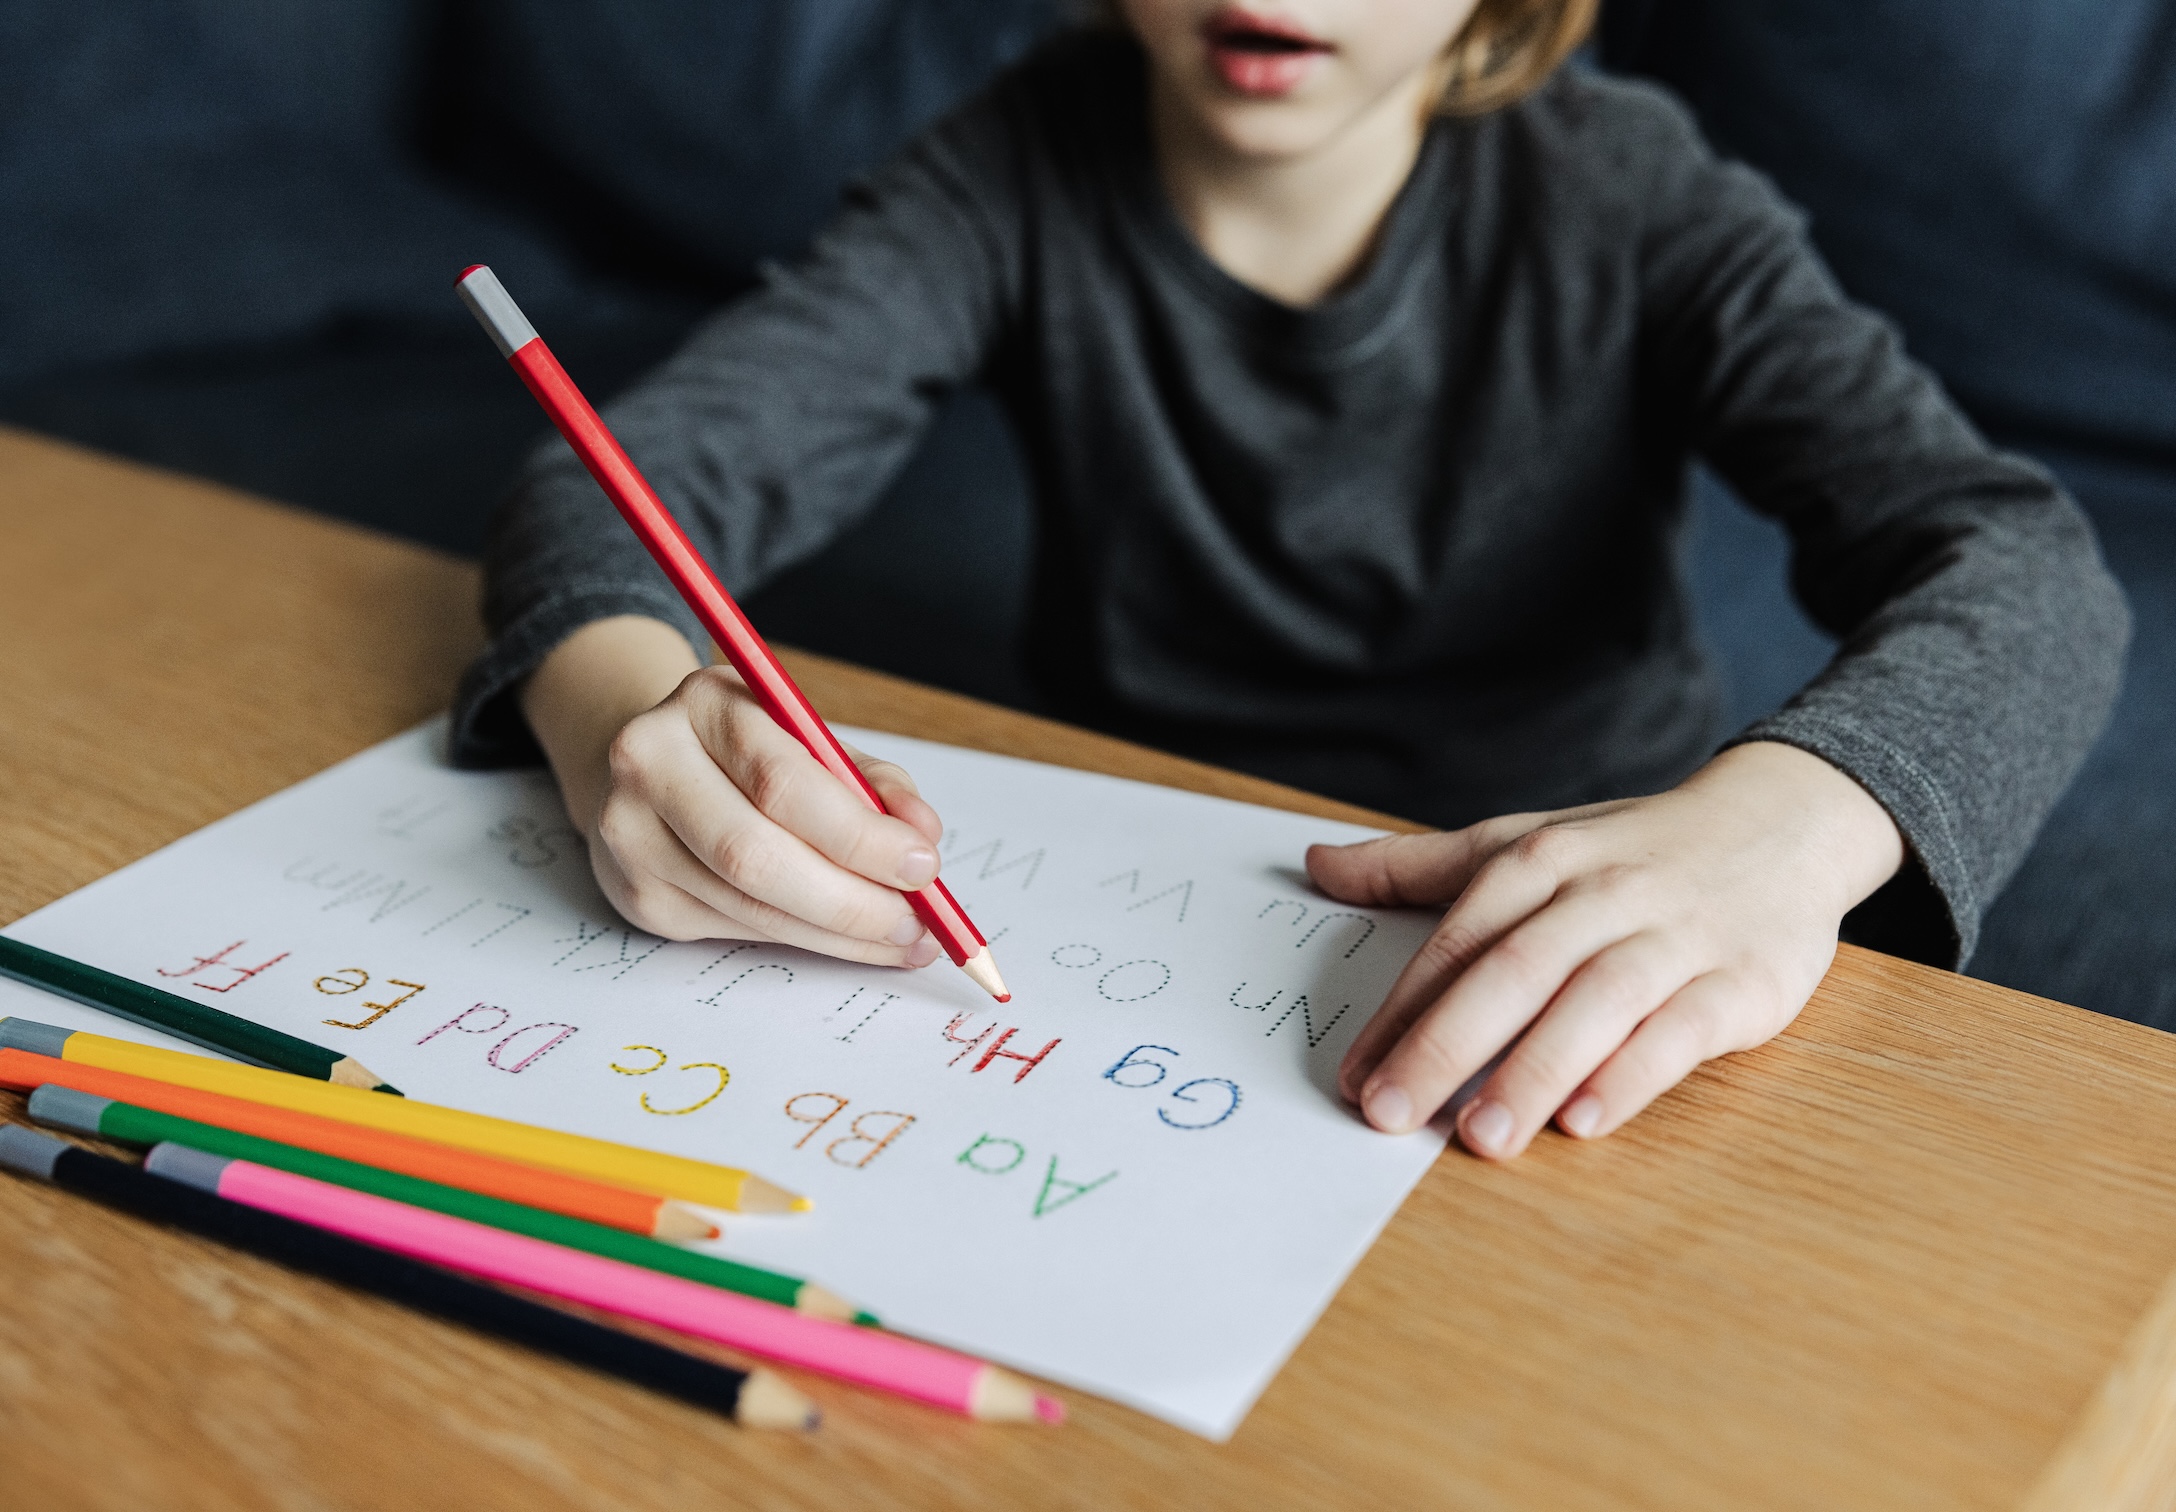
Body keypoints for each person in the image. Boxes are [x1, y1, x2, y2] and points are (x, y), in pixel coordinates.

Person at [452, 0, 2127, 1160]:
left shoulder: (1637, 195)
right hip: (1137, 893)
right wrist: (624, 729)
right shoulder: (1011, 165)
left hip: (1577, 902)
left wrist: (1787, 830)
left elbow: (2025, 567)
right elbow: (616, 483)